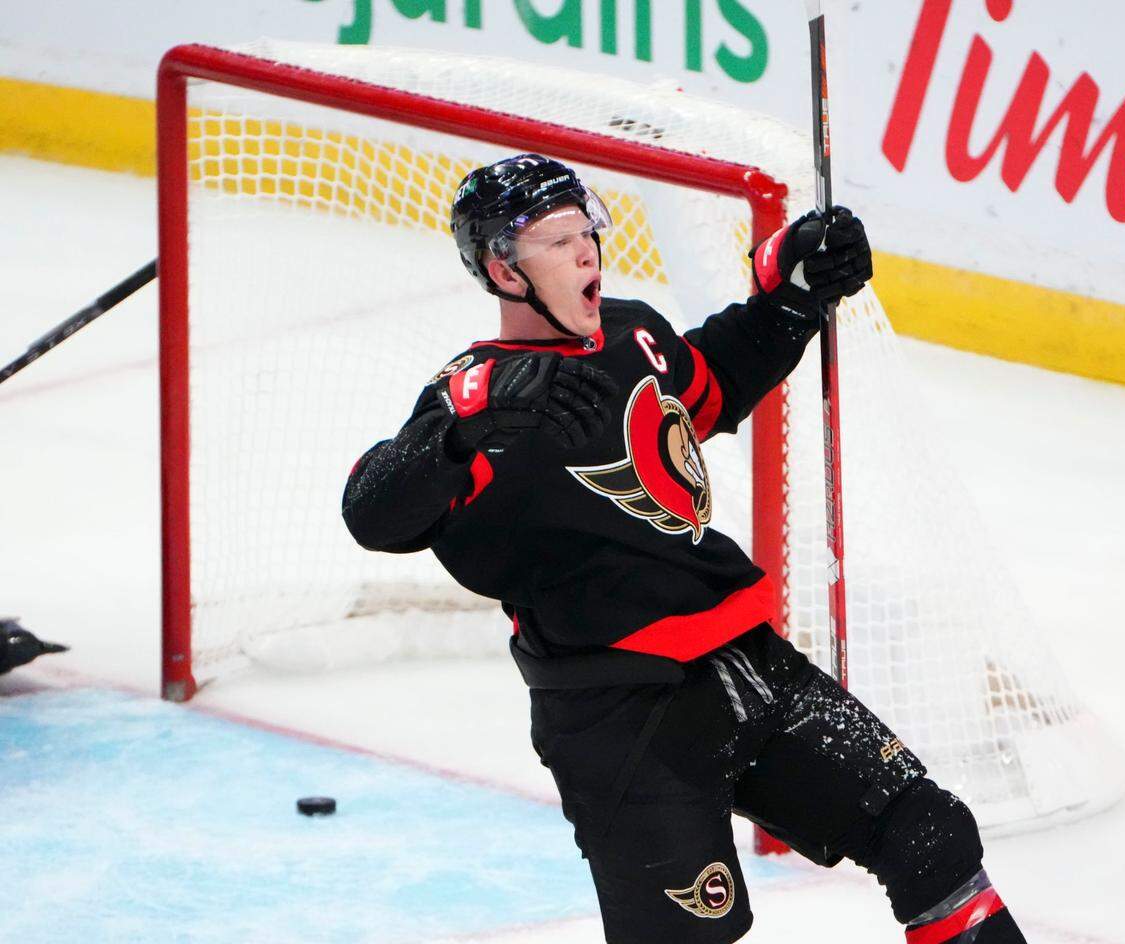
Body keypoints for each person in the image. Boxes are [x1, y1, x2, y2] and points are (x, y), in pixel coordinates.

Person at [342, 154, 1026, 944]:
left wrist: (791, 298)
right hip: (621, 717)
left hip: (747, 665)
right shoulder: (476, 399)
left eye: (586, 230)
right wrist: (457, 433)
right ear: (505, 270)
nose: (587, 252)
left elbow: (716, 378)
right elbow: (371, 511)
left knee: (929, 832)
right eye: (559, 241)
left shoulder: (635, 334)